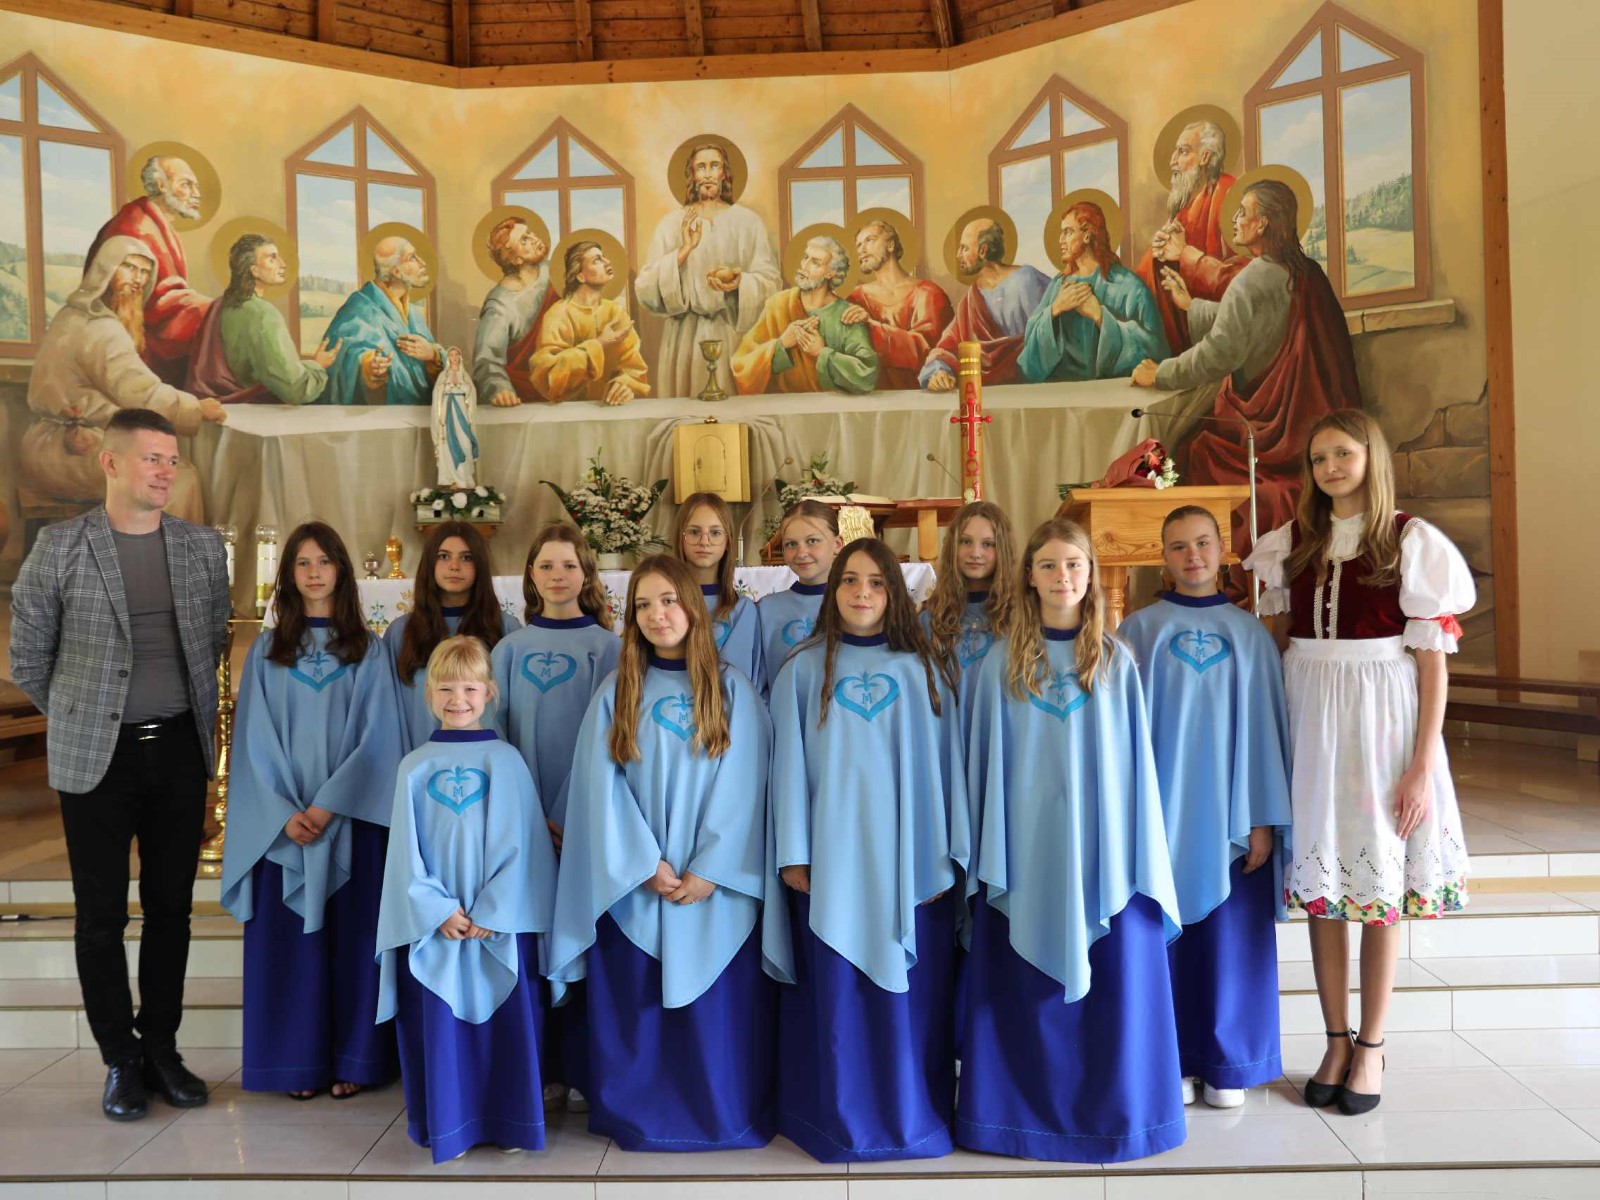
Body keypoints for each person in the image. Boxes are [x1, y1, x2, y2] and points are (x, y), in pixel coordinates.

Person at [1245, 409, 1474, 1116]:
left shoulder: (1410, 541)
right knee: (1325, 887)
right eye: (1319, 459)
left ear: (1371, 457)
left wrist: (1420, 766)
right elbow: (1273, 642)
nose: (1330, 468)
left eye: (1343, 454)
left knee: (1377, 888)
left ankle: (1372, 1045)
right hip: (1312, 719)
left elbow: (1432, 665)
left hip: (1383, 721)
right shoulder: (1291, 545)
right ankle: (1335, 1039)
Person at [8, 407, 231, 1121]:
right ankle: (120, 1060)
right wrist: (84, 715)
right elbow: (27, 657)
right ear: (110, 462)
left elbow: (211, 644)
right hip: (95, 759)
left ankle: (161, 1048)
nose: (165, 471)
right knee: (100, 916)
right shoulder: (61, 547)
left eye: (172, 460)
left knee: (171, 910)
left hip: (179, 751)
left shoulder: (200, 548)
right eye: (151, 458)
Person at [957, 519, 1184, 1162]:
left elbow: (1135, 770)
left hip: (1104, 855)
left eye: (1075, 564)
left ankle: (1118, 1117)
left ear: (1091, 575)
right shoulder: (999, 663)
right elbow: (981, 768)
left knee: (1116, 988)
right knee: (1020, 988)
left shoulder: (1115, 662)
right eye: (1050, 565)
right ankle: (1013, 1121)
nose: (1063, 577)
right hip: (1022, 855)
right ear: (1028, 576)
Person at [550, 555, 783, 1150]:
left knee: (716, 1010)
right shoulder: (616, 692)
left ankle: (721, 1112)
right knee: (639, 1002)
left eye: (669, 600)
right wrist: (640, 864)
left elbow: (750, 782)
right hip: (638, 882)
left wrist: (712, 867)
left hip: (717, 884)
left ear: (693, 608)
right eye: (643, 605)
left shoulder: (734, 690)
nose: (658, 615)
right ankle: (638, 1115)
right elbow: (598, 788)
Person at [768, 538, 968, 1162]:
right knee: (837, 997)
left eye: (877, 582)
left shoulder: (922, 670)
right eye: (851, 580)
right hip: (830, 862)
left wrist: (940, 855)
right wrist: (794, 853)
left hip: (911, 864)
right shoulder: (803, 670)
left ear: (895, 594)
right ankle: (834, 1121)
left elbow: (944, 770)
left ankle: (913, 1118)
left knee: (913, 1000)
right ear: (833, 591)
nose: (862, 593)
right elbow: (785, 768)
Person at [220, 522, 402, 1100]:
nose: (315, 572)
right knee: (291, 950)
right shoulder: (267, 651)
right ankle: (294, 1064)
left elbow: (378, 737)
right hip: (283, 829)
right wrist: (283, 811)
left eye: (325, 561)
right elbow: (253, 740)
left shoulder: (369, 650)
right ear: (288, 575)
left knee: (353, 944)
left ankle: (354, 1059)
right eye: (303, 563)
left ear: (342, 571)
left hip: (349, 820)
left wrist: (327, 806)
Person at [1118, 506, 1292, 1109]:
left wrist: (1261, 819)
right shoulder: (1137, 632)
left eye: (1202, 543)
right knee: (1159, 936)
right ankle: (1169, 1058)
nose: (1191, 555)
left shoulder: (1251, 635)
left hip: (1231, 817)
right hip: (1159, 814)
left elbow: (1266, 732)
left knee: (1228, 940)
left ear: (1223, 551)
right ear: (1162, 557)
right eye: (1177, 546)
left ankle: (1228, 1062)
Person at [375, 636, 560, 1162]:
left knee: (507, 1026)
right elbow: (404, 854)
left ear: (490, 693)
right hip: (439, 923)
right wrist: (437, 911)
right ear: (428, 694)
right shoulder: (414, 766)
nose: (458, 699)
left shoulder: (507, 761)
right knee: (442, 1027)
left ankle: (510, 1121)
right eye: (446, 689)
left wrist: (493, 910)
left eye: (470, 689)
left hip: (499, 921)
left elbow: (525, 843)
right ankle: (450, 1126)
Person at [1132, 179, 1360, 557]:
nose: (1235, 219)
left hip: (1271, 436)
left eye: (1242, 212)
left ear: (1263, 223)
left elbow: (1218, 353)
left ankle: (1215, 559)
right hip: (1313, 423)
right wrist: (1192, 307)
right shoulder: (1305, 271)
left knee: (1193, 450)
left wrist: (1160, 374)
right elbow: (1255, 321)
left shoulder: (1252, 278)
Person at [490, 522, 620, 1113]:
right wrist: (528, 814)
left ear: (587, 575)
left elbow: (611, 737)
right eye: (546, 565)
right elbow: (493, 738)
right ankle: (540, 1069)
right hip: (524, 824)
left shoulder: (608, 649)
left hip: (586, 820)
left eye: (569, 565)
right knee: (532, 937)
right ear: (531, 576)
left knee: (585, 936)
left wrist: (569, 810)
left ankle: (585, 1068)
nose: (558, 576)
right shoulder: (508, 650)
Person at [21, 237, 225, 524]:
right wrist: (196, 408)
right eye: (129, 267)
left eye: (144, 272)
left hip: (46, 445)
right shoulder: (100, 328)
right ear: (105, 269)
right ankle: (163, 555)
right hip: (69, 450)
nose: (138, 280)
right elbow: (140, 392)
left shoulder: (72, 315)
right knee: (178, 479)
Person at [637, 141, 782, 397]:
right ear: (692, 175)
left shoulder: (748, 222)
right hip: (684, 336)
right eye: (700, 167)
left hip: (732, 331)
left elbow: (771, 281)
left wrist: (739, 282)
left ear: (724, 173)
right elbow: (645, 287)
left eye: (714, 166)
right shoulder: (672, 223)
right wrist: (684, 251)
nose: (707, 174)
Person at [384, 521, 519, 752]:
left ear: (480, 565)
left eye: (466, 558)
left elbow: (516, 711)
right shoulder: (400, 632)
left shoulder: (505, 629)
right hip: (421, 759)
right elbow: (389, 712)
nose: (454, 566)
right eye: (444, 556)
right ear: (429, 563)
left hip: (488, 760)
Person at [85, 154, 212, 384]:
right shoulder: (137, 227)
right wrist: (213, 311)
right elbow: (152, 304)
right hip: (131, 343)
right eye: (186, 184)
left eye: (197, 186)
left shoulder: (153, 220)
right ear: (162, 185)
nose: (197, 193)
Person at [1018, 201, 1168, 382]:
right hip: (1061, 389)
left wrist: (1100, 317)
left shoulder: (1128, 285)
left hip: (1111, 390)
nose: (1060, 240)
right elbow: (1028, 357)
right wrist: (1054, 310)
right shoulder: (1058, 285)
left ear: (1087, 235)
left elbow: (1155, 350)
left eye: (1068, 232)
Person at [188, 233, 340, 404]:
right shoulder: (263, 314)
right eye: (272, 259)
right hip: (254, 412)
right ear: (254, 270)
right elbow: (295, 390)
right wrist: (318, 365)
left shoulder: (221, 304)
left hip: (222, 408)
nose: (282, 264)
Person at [1134, 119, 1238, 353]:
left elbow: (1240, 281)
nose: (1172, 160)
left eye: (1182, 151)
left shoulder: (1229, 195)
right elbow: (1146, 277)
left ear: (1205, 157)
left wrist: (1183, 254)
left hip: (1220, 330)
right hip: (1187, 326)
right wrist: (1158, 255)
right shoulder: (1184, 208)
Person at [732, 234, 879, 395]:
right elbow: (742, 363)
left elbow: (867, 374)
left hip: (832, 406)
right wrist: (781, 344)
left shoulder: (848, 315)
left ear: (831, 273)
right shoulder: (778, 304)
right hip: (784, 405)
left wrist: (822, 353)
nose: (804, 265)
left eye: (815, 262)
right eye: (805, 257)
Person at [918, 218, 1049, 391]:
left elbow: (1048, 337)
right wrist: (938, 371)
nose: (958, 255)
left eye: (964, 248)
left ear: (983, 250)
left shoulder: (1026, 281)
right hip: (989, 393)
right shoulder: (971, 300)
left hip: (1033, 388)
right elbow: (948, 346)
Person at [321, 235, 443, 406]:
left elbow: (432, 360)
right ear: (396, 271)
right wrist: (368, 366)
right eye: (412, 258)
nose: (422, 263)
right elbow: (343, 353)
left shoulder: (413, 313)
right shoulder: (360, 307)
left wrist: (433, 354)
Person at [919, 500, 1017, 711]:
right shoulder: (930, 620)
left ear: (1003, 549)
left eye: (988, 544)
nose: (975, 553)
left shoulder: (1018, 616)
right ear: (953, 547)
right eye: (966, 541)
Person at [530, 241, 650, 406]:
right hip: (569, 411)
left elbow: (635, 367)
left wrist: (626, 384)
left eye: (604, 257)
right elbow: (548, 377)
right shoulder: (558, 314)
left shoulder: (615, 312)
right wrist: (599, 344)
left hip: (611, 408)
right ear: (580, 276)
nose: (607, 262)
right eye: (597, 260)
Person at [842, 218, 953, 392]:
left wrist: (871, 327)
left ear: (890, 245)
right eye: (858, 245)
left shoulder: (929, 293)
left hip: (922, 393)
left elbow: (930, 350)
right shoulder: (856, 299)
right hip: (874, 397)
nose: (861, 250)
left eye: (869, 240)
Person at [671, 492, 761, 685]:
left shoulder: (741, 609)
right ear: (680, 538)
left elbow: (738, 680)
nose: (705, 541)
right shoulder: (664, 602)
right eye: (694, 532)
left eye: (715, 533)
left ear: (728, 541)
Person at [756, 500, 843, 694]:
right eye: (791, 544)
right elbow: (758, 683)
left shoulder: (855, 605)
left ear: (837, 544)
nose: (801, 553)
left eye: (812, 541)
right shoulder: (766, 609)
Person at [471, 216, 555, 406]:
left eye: (529, 233)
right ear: (515, 259)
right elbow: (487, 361)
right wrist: (499, 388)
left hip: (565, 380)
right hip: (525, 395)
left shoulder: (554, 272)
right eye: (524, 240)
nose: (534, 238)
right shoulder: (500, 304)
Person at [431, 347, 479, 488]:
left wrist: (461, 386)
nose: (454, 357)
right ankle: (450, 479)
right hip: (447, 411)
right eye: (451, 355)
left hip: (462, 411)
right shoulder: (443, 375)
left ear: (460, 357)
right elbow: (437, 394)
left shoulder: (464, 375)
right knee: (446, 442)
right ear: (448, 358)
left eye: (456, 354)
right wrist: (447, 387)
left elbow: (471, 392)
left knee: (465, 442)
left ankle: (465, 477)